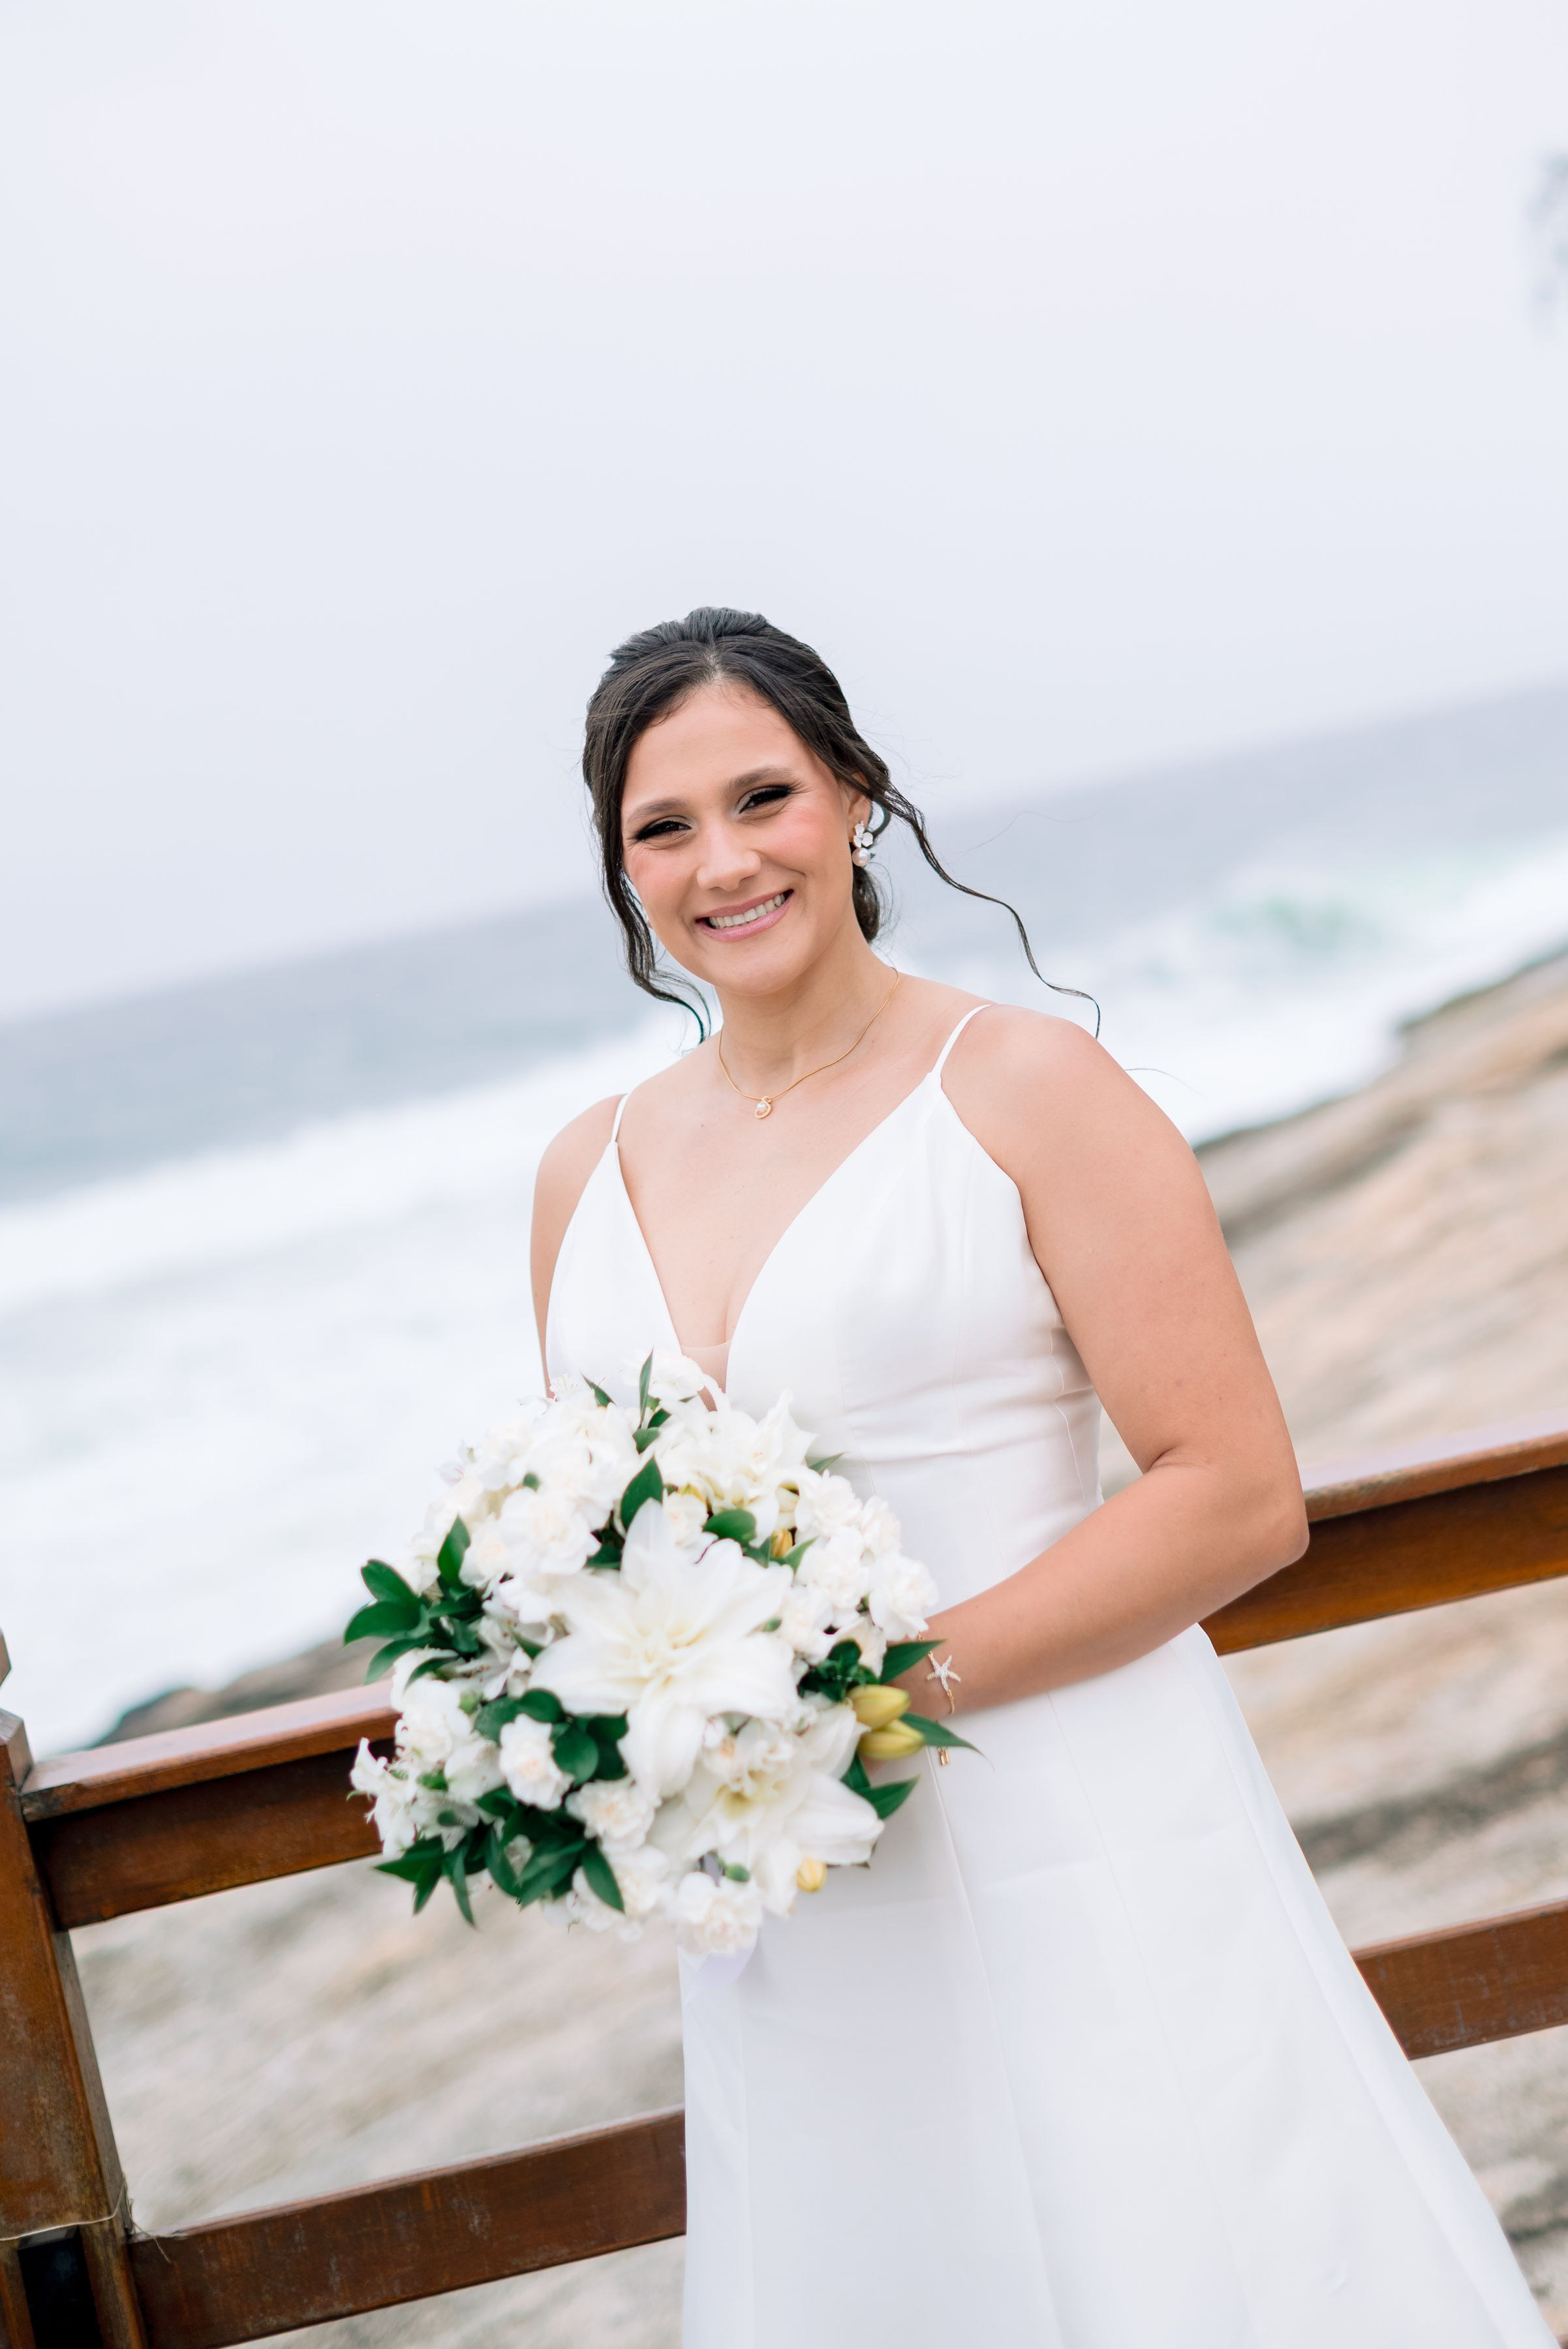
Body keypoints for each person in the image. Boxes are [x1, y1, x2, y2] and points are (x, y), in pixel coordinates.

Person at [532, 608, 1552, 2348]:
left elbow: (1233, 1490)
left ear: (855, 796)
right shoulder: (580, 1170)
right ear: (621, 869)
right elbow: (598, 1543)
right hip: (796, 1903)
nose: (723, 862)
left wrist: (868, 1700)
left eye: (762, 796)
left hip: (1071, 1825)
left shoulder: (1020, 1086)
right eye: (662, 828)